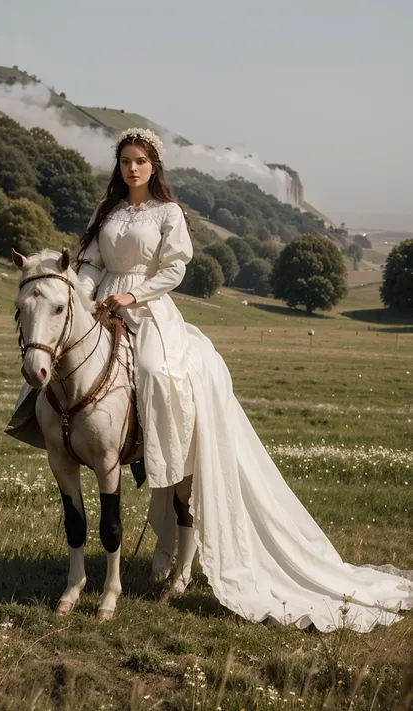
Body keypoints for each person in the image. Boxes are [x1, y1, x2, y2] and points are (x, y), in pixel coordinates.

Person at [73, 128, 413, 631]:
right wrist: (79, 296)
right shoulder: (108, 213)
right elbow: (88, 262)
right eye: (126, 160)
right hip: (101, 303)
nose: (132, 168)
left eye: (141, 160)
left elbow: (175, 268)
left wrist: (133, 295)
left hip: (147, 308)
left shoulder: (169, 214)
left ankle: (153, 446)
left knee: (150, 369)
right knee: (64, 365)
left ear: (154, 166)